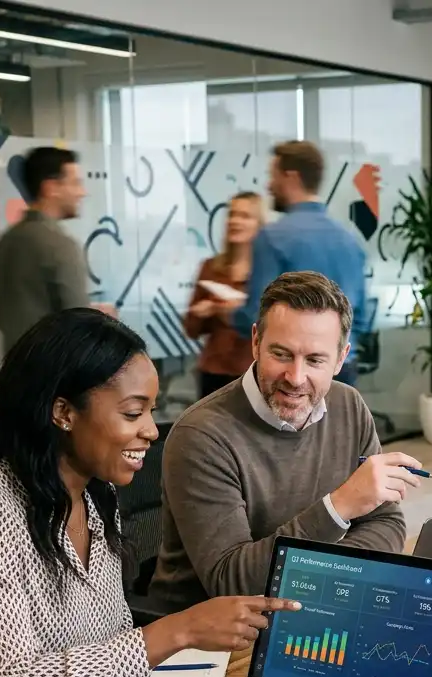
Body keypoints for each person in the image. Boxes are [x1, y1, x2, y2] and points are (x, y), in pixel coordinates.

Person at [0, 309, 301, 677]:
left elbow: (109, 636)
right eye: (132, 413)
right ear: (63, 412)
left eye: (150, 412)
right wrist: (179, 630)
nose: (151, 431)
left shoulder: (94, 496)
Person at [149, 271, 411, 609]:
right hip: (209, 629)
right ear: (255, 342)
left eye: (315, 360)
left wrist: (323, 580)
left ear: (340, 359)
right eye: (282, 354)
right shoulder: (202, 435)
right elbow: (231, 581)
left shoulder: (349, 406)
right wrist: (338, 507)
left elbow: (387, 523)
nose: (296, 378)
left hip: (305, 609)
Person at [234, 140, 368, 386]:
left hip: (292, 377)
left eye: (273, 176)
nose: (269, 186)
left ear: (291, 177)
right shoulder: (351, 241)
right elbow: (361, 318)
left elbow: (256, 316)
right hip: (342, 372)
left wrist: (225, 313)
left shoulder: (273, 238)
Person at [0, 147, 114, 351]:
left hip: (14, 365)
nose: (82, 192)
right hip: (56, 367)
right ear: (51, 188)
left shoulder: (5, 243)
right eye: (75, 183)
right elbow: (79, 329)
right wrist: (101, 323)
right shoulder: (58, 245)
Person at [184, 192, 264, 399]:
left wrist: (231, 311)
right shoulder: (210, 267)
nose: (235, 221)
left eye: (245, 216)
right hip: (213, 372)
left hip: (252, 375)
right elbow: (190, 329)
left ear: (259, 225)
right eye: (232, 214)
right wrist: (202, 312)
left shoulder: (265, 273)